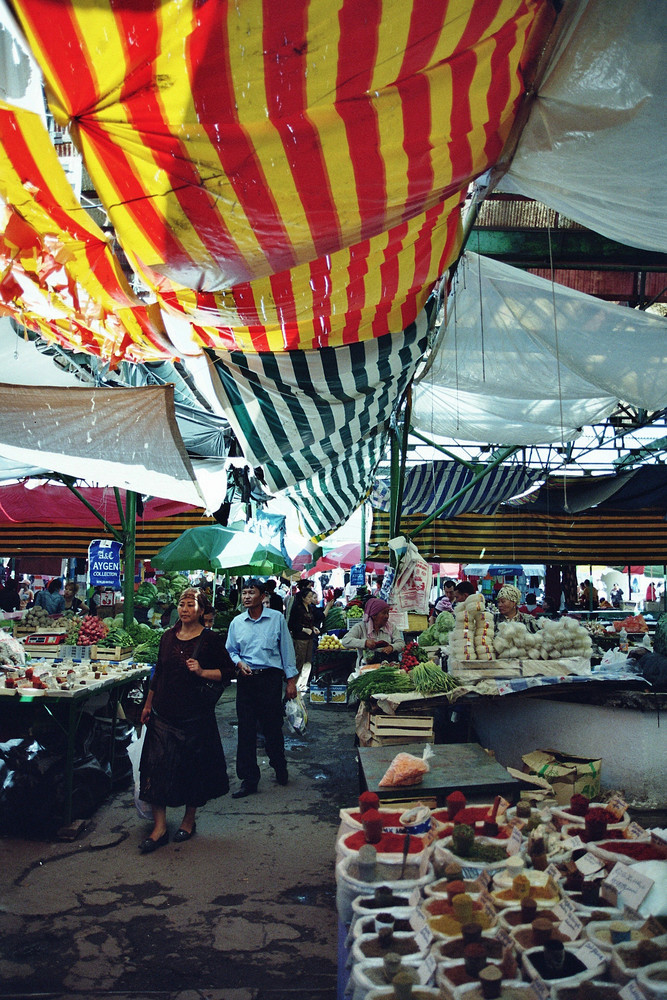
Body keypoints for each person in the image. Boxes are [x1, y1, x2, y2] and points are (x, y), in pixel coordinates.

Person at [138, 588, 233, 853]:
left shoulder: (211, 640)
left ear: (202, 611)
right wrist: (148, 704)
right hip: (162, 714)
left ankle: (188, 821)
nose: (184, 609)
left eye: (190, 605)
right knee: (155, 769)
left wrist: (202, 671)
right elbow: (158, 673)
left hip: (196, 717)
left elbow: (227, 672)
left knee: (193, 771)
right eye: (181, 604)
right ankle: (159, 828)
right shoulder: (167, 637)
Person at [225, 578, 298, 799]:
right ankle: (249, 779)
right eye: (244, 592)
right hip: (247, 681)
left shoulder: (276, 619)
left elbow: (287, 650)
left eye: (251, 592)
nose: (247, 596)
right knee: (246, 730)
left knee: (272, 727)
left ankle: (279, 765)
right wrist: (238, 662)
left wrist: (291, 682)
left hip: (270, 680)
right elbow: (230, 650)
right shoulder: (236, 622)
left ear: (263, 595)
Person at [341, 597, 405, 669]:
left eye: (387, 613)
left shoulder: (391, 627)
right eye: (384, 613)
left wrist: (392, 647)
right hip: (365, 668)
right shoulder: (360, 627)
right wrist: (365, 643)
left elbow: (401, 644)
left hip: (387, 668)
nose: (387, 616)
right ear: (374, 615)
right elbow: (345, 641)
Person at [288, 586, 321, 675]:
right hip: (300, 639)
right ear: (303, 598)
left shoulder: (310, 608)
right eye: (309, 597)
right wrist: (304, 629)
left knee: (308, 662)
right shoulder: (297, 608)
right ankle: (296, 683)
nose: (311, 599)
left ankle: (304, 682)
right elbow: (291, 624)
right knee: (299, 662)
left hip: (310, 638)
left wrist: (313, 627)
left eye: (311, 597)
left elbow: (310, 622)